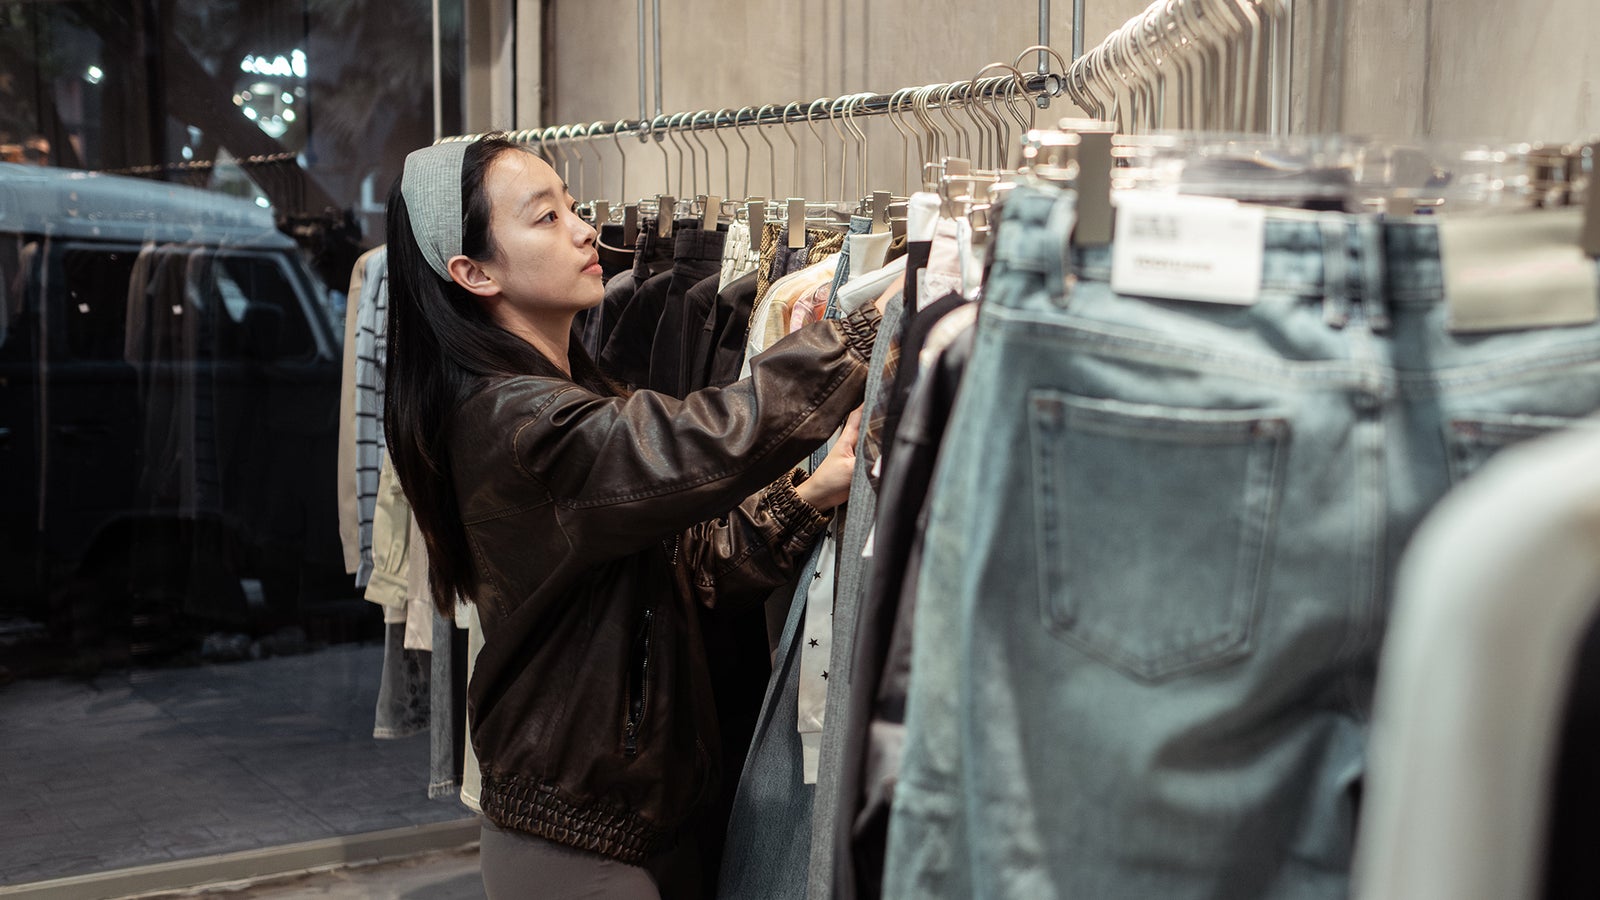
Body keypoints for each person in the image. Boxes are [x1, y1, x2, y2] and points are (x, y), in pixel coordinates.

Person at [383, 134, 884, 899]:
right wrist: (857, 335)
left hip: (626, 821)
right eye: (545, 218)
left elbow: (691, 570)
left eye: (574, 208)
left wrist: (808, 496)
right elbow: (698, 441)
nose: (587, 231)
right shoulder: (519, 423)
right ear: (473, 272)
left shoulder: (561, 397)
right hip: (578, 842)